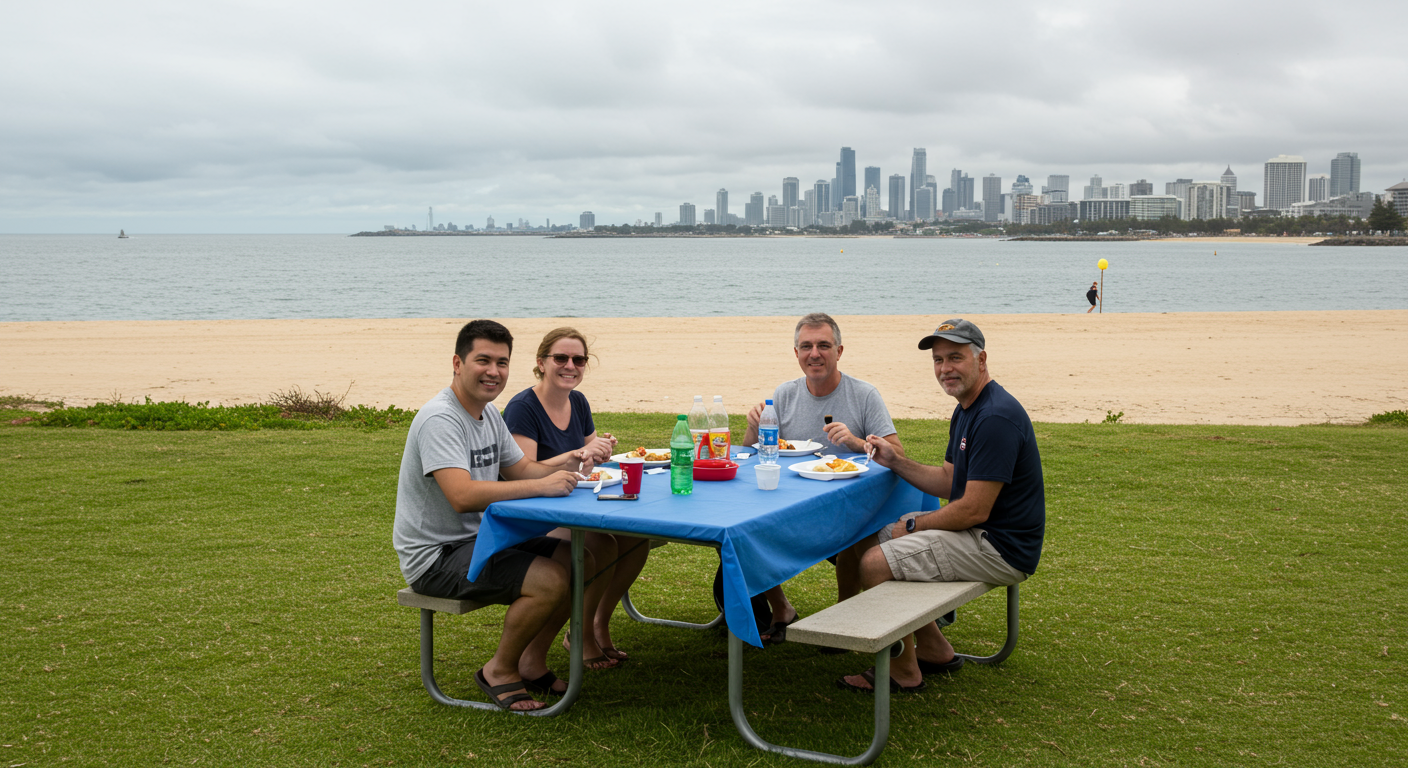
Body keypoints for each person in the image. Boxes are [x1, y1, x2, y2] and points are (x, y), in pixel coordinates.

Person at [393, 319, 601, 712]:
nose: (494, 371)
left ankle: (531, 661)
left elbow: (521, 469)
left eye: (502, 363)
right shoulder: (442, 418)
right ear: (458, 363)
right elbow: (461, 495)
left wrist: (568, 466)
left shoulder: (487, 414)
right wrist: (543, 485)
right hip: (437, 556)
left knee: (580, 558)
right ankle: (499, 671)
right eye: (483, 360)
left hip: (483, 538)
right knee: (550, 578)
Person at [838, 318, 1045, 693]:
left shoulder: (995, 416)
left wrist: (915, 526)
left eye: (955, 358)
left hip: (999, 547)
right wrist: (895, 461)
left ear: (981, 360)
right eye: (938, 360)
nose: (945, 369)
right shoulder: (968, 408)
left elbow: (973, 510)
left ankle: (902, 671)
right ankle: (933, 648)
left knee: (875, 562)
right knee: (871, 539)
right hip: (981, 533)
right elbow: (951, 482)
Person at [740, 312, 903, 644]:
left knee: (859, 533)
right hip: (793, 504)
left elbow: (896, 454)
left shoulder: (864, 395)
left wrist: (858, 443)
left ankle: (846, 616)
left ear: (839, 351)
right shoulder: (783, 395)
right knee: (745, 527)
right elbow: (750, 455)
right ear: (796, 353)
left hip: (848, 507)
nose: (815, 353)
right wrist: (754, 427)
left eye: (824, 346)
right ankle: (781, 608)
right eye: (806, 346)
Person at [503, 327, 649, 665]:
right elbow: (523, 470)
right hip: (533, 514)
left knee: (635, 538)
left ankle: (598, 624)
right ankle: (580, 636)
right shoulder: (523, 408)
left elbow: (589, 464)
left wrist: (600, 451)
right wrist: (580, 451)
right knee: (600, 543)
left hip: (571, 504)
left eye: (579, 359)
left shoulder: (578, 402)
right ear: (541, 363)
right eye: (561, 358)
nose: (571, 365)